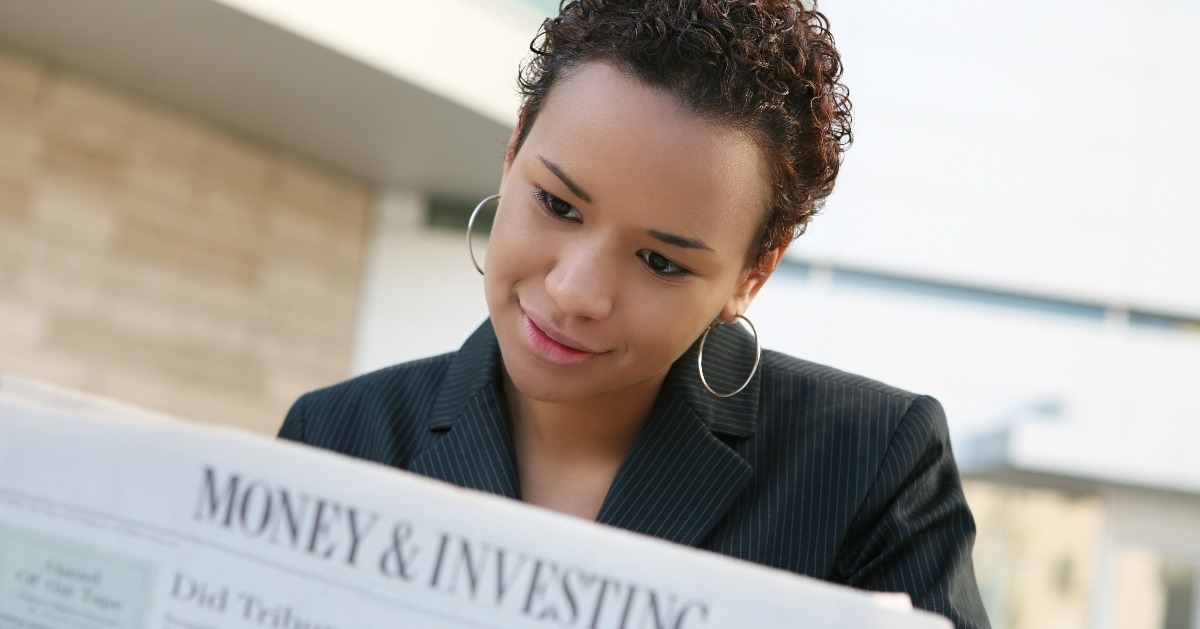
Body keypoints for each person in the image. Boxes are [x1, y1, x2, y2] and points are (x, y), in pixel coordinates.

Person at [279, 1, 990, 626]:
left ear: (752, 271)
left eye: (661, 261)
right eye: (557, 205)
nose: (576, 292)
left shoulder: (867, 470)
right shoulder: (336, 440)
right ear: (515, 147)